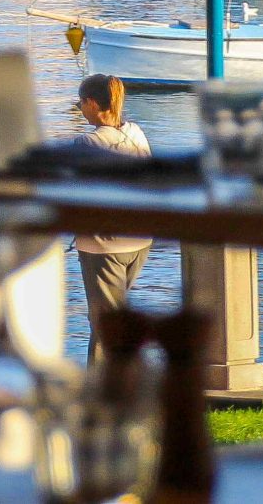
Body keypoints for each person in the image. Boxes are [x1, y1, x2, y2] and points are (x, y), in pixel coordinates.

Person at [72, 73, 152, 359]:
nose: (80, 108)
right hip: (139, 241)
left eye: (81, 102)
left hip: (103, 246)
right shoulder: (136, 134)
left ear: (93, 104)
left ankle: (107, 394)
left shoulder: (87, 143)